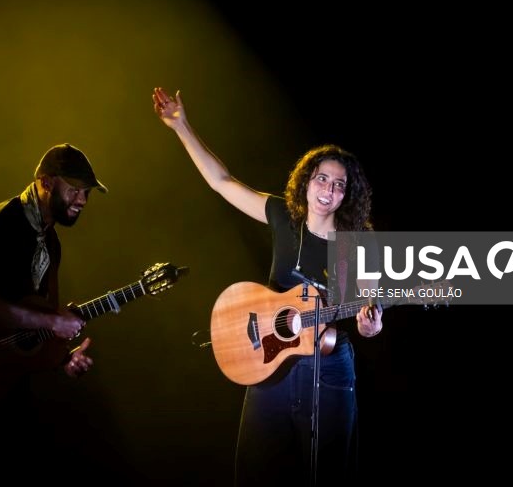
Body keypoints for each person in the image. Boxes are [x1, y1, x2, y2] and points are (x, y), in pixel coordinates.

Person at [152, 87, 383, 486]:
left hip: (327, 367)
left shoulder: (356, 243)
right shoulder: (282, 216)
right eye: (322, 179)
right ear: (307, 182)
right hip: (268, 359)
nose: (328, 190)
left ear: (348, 195)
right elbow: (221, 182)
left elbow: (369, 313)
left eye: (339, 185)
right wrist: (181, 126)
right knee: (255, 472)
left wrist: (370, 325)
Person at [0, 143, 106, 486]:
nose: (83, 200)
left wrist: (63, 357)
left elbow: (34, 317)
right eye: (74, 189)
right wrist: (53, 321)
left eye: (86, 192)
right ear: (46, 182)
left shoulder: (50, 243)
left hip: (11, 384)